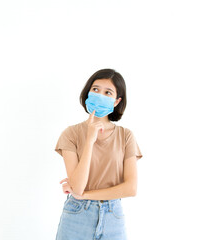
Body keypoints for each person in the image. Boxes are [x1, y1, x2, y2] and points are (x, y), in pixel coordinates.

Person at [54, 68, 143, 240]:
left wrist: (86, 195)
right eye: (95, 89)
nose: (100, 94)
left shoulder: (125, 136)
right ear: (88, 92)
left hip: (113, 216)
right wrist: (89, 141)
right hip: (77, 215)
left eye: (107, 92)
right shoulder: (70, 134)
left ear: (116, 101)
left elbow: (131, 188)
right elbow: (78, 187)